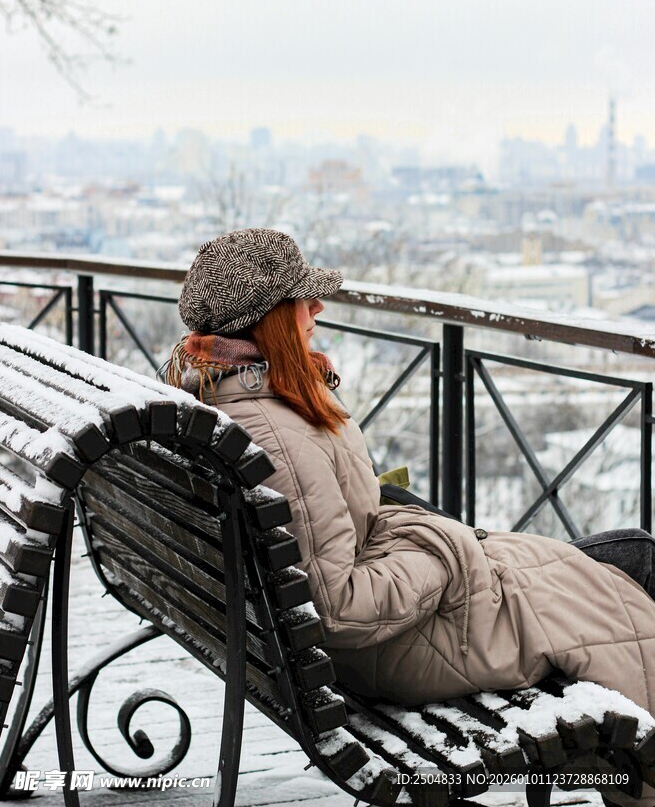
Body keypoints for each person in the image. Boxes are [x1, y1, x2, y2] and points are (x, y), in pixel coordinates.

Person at [167, 227, 655, 720]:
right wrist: (441, 555)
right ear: (266, 318)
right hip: (397, 650)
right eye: (302, 297)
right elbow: (337, 610)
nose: (317, 307)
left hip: (361, 632)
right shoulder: (279, 437)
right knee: (634, 562)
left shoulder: (232, 398)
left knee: (618, 563)